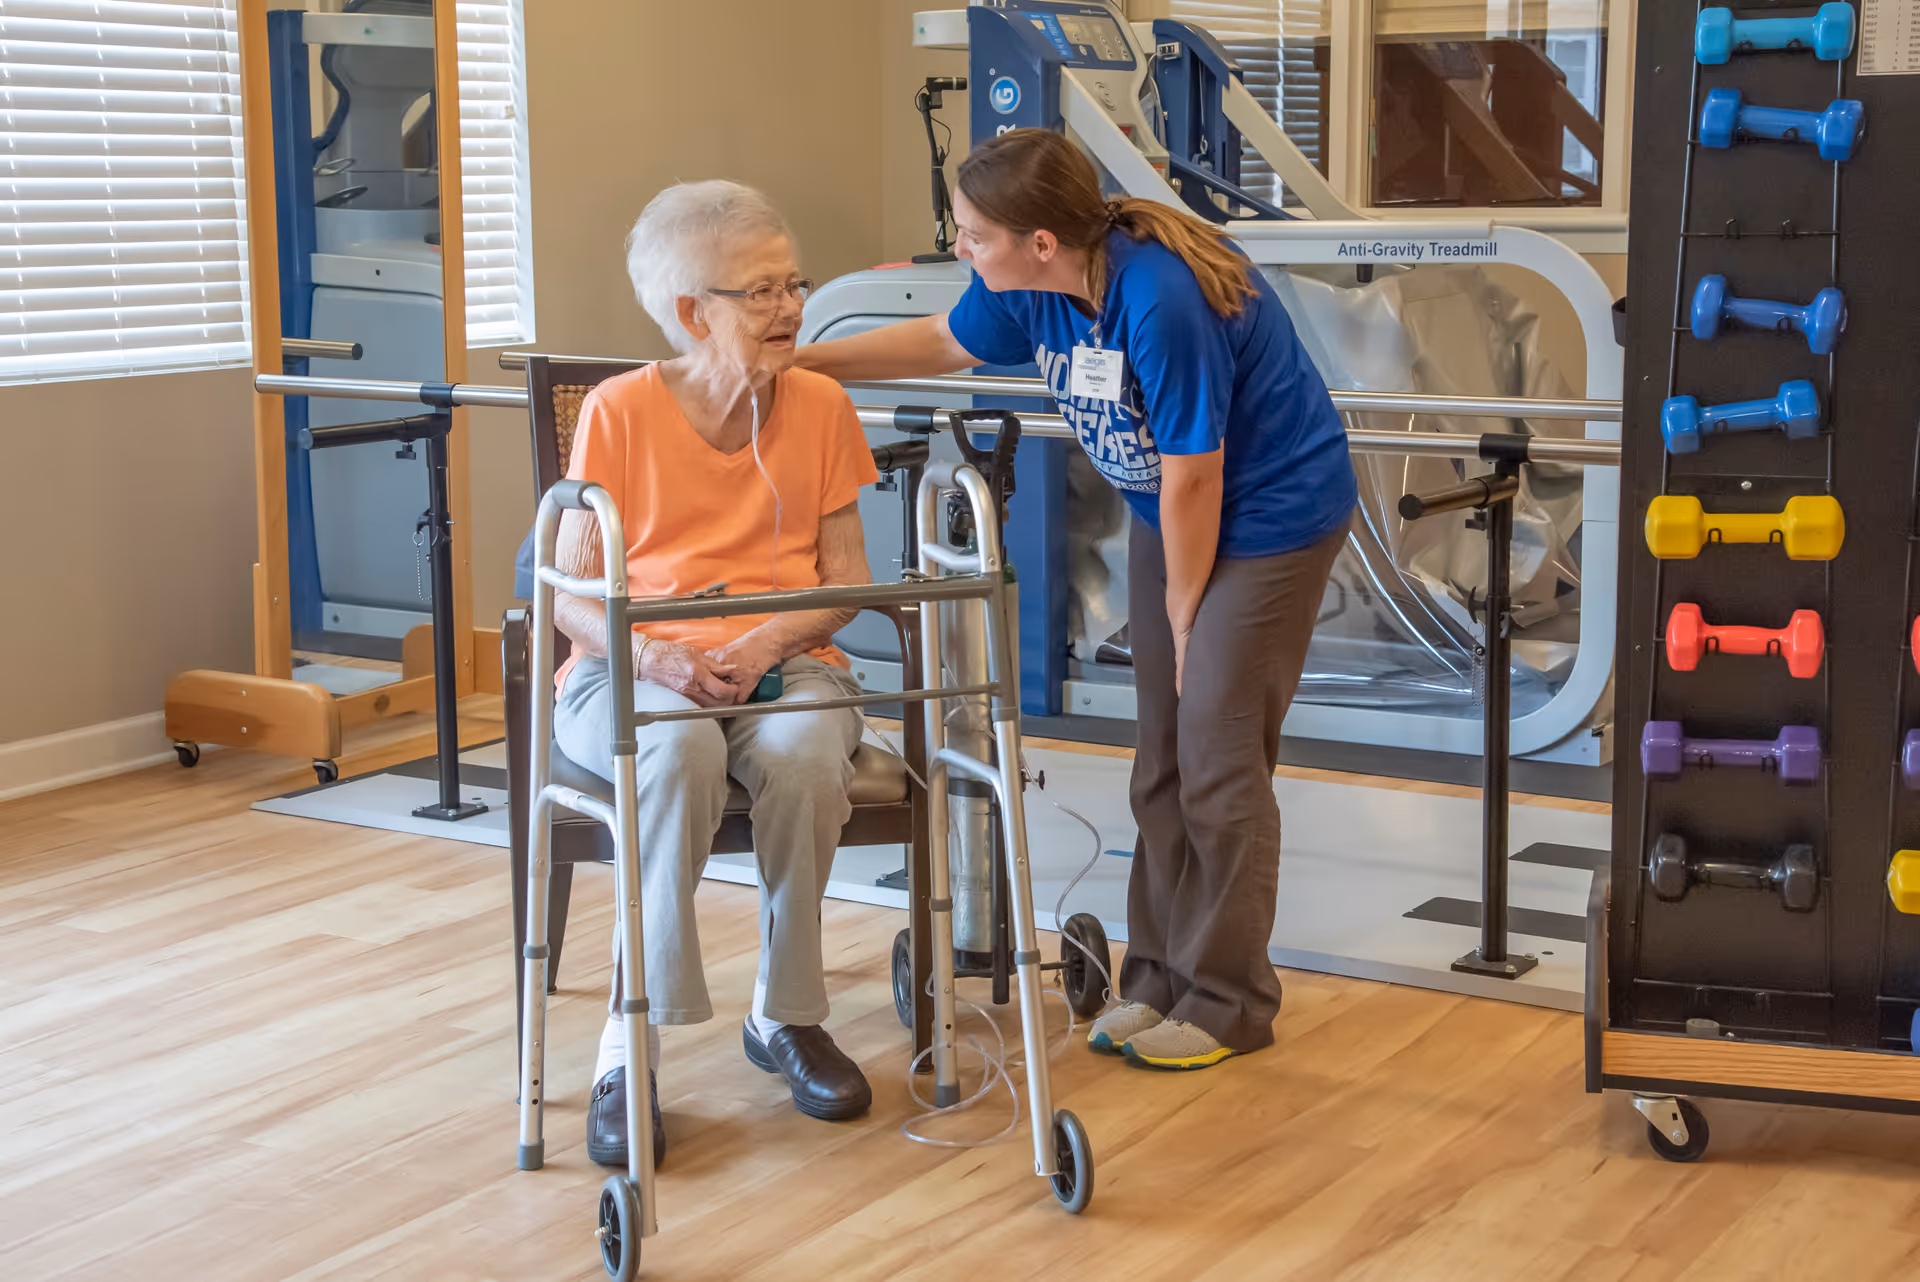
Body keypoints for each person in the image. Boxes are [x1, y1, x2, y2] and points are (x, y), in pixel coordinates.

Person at [798, 129, 1356, 1071]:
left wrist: (1183, 612)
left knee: (1217, 758)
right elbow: (941, 340)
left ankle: (1230, 1001)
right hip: (1170, 509)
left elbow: (1195, 476)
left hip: (1266, 519)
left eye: (975, 234)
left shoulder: (1159, 298)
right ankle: (1158, 979)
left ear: (1041, 241)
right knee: (1161, 760)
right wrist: (805, 368)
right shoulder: (1036, 290)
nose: (963, 248)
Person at [549, 180, 880, 1169]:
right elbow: (568, 597)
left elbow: (847, 585)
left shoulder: (820, 405)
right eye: (762, 290)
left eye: (794, 283)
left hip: (782, 667)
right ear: (693, 311)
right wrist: (659, 653)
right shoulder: (617, 413)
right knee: (677, 749)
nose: (790, 307)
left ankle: (787, 1015)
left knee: (806, 748)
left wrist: (759, 646)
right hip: (633, 671)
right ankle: (630, 1045)